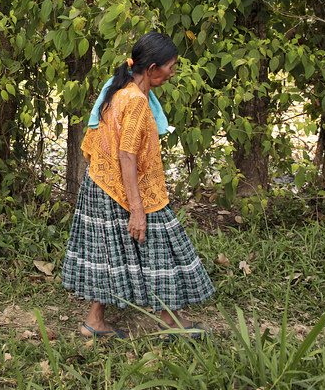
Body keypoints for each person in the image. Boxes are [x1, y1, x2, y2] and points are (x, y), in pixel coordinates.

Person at [61, 31, 215, 339]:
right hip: (120, 188)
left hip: (104, 184)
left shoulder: (126, 90)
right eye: (171, 67)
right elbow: (127, 156)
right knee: (162, 248)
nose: (173, 73)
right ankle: (168, 320)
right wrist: (137, 209)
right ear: (153, 68)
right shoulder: (134, 101)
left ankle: (96, 321)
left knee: (108, 254)